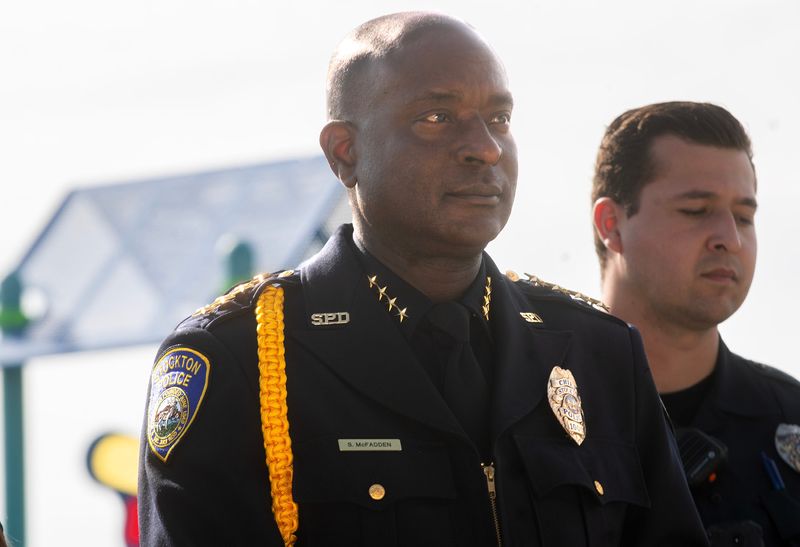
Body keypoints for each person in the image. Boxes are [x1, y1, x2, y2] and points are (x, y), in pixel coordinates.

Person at [138, 13, 707, 546]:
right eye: (436, 118)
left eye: (499, 119)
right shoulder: (242, 361)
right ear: (345, 152)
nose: (484, 148)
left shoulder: (599, 352)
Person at [592, 101, 800, 546]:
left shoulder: (789, 418)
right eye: (696, 210)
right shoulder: (527, 415)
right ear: (612, 224)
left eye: (744, 216)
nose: (730, 238)